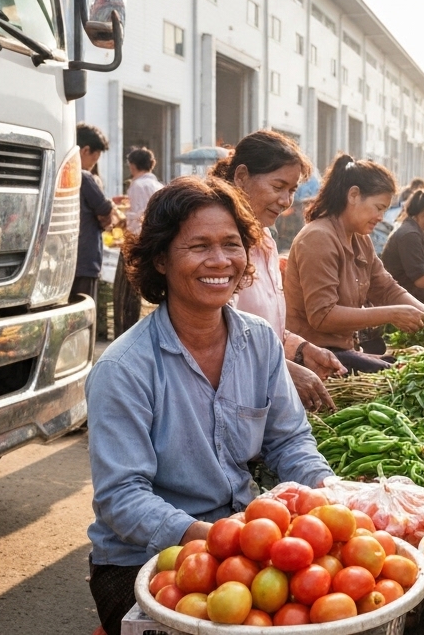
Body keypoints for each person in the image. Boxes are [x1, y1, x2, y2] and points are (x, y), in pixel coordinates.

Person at [85, 177, 334, 635]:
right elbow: (121, 498)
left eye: (231, 244)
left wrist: (331, 495)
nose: (220, 261)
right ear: (160, 259)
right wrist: (216, 539)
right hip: (144, 560)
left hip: (244, 544)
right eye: (199, 246)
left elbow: (288, 441)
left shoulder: (259, 341)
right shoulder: (124, 368)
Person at [211, 131, 346, 412]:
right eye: (278, 186)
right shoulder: (220, 248)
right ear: (241, 176)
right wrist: (284, 371)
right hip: (220, 403)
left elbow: (263, 326)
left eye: (292, 190)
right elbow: (214, 334)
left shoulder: (265, 240)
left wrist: (301, 349)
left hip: (258, 402)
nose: (286, 201)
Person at [284, 155, 424, 373]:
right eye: (378, 207)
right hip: (317, 360)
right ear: (354, 195)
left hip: (344, 351)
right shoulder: (318, 238)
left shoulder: (359, 239)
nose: (381, 217)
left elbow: (386, 288)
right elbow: (322, 316)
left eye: (384, 210)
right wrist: (392, 314)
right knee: (405, 374)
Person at [113, 146, 165, 336]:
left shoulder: (137, 185)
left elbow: (137, 218)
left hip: (137, 241)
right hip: (154, 242)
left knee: (125, 292)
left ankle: (125, 331)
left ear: (133, 165)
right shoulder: (157, 185)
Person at [72, 123, 117, 303]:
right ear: (85, 150)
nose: (95, 163)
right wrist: (108, 212)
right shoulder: (84, 176)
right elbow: (105, 209)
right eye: (96, 157)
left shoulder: (61, 174)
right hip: (86, 258)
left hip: (69, 260)